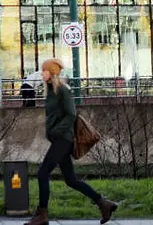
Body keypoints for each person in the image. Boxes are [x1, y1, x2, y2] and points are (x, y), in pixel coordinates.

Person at [25, 58, 117, 225]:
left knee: (42, 173)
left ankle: (42, 214)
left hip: (63, 139)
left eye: (44, 71)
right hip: (59, 139)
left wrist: (56, 131)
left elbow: (71, 114)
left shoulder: (62, 90)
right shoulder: (51, 91)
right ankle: (104, 203)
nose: (42, 73)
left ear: (52, 72)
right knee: (71, 180)